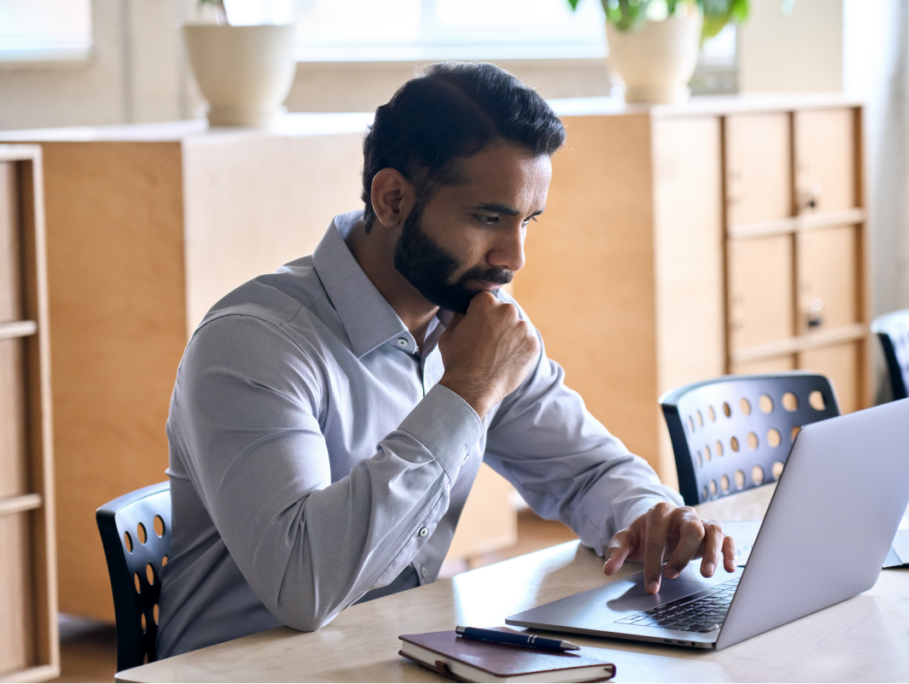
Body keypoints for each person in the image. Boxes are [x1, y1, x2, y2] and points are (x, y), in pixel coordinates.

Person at [156, 62, 736, 659]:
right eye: (488, 218)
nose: (514, 256)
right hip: (242, 671)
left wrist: (649, 514)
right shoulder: (254, 344)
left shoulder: (467, 318)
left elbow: (585, 470)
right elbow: (303, 586)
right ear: (392, 199)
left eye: (527, 222)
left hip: (384, 653)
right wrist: (465, 392)